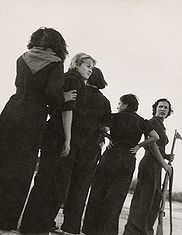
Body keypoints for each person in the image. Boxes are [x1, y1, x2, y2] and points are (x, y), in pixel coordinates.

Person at [0, 27, 74, 231]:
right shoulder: (56, 63)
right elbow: (51, 93)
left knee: (4, 162)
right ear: (58, 44)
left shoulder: (22, 58)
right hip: (33, 116)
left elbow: (17, 83)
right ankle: (6, 219)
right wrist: (64, 98)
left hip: (11, 110)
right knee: (22, 168)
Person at [19, 53, 96, 234]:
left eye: (92, 68)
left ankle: (36, 225)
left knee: (51, 181)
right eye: (87, 66)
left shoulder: (72, 80)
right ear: (76, 64)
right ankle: (35, 226)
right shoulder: (73, 80)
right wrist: (68, 139)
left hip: (57, 134)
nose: (90, 70)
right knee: (51, 182)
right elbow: (66, 110)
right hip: (60, 135)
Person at [82, 94, 171, 235]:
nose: (118, 106)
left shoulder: (114, 117)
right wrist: (139, 146)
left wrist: (109, 138)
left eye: (120, 103)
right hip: (128, 159)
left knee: (98, 191)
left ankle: (89, 229)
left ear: (125, 105)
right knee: (116, 197)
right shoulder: (141, 121)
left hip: (110, 156)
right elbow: (155, 137)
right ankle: (108, 231)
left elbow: (100, 128)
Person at [60, 67, 112, 235]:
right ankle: (71, 226)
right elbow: (105, 127)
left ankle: (49, 220)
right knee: (80, 188)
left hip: (72, 143)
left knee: (61, 183)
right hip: (90, 149)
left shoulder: (80, 93)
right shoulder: (105, 102)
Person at [123, 98, 174, 235]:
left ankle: (145, 231)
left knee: (153, 200)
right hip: (149, 165)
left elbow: (159, 148)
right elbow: (151, 145)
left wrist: (166, 156)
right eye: (160, 107)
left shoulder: (161, 125)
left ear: (169, 111)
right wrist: (164, 164)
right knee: (143, 199)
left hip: (156, 166)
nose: (163, 109)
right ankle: (132, 232)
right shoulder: (152, 122)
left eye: (166, 108)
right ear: (155, 108)